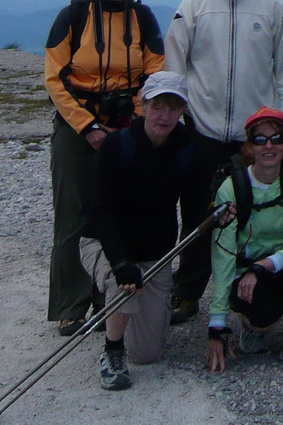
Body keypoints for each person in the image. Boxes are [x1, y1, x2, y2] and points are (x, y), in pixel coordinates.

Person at [164, 0, 283, 325]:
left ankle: (250, 292)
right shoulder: (194, 5)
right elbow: (174, 64)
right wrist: (177, 115)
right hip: (202, 130)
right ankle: (187, 291)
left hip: (253, 136)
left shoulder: (271, 7)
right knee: (196, 213)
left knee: (254, 213)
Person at [44, 0, 166, 335]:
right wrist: (88, 127)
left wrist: (133, 125)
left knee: (118, 212)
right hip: (77, 130)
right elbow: (54, 78)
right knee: (72, 215)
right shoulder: (73, 15)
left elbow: (155, 75)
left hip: (126, 126)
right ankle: (71, 306)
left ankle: (109, 298)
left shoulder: (142, 17)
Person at [79, 72, 214, 390]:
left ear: (183, 111)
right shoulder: (117, 145)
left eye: (174, 108)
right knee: (123, 283)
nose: (165, 116)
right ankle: (112, 351)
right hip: (103, 243)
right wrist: (120, 261)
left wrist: (214, 215)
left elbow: (195, 205)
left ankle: (124, 314)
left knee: (147, 354)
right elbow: (98, 210)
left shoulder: (187, 149)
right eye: (158, 106)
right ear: (142, 104)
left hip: (156, 255)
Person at [205, 107, 283, 367]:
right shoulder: (232, 187)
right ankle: (254, 326)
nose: (269, 146)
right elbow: (223, 254)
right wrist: (217, 323)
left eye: (277, 138)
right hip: (246, 271)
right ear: (250, 146)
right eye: (260, 139)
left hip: (280, 266)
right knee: (264, 315)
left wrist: (262, 267)